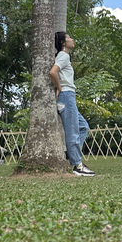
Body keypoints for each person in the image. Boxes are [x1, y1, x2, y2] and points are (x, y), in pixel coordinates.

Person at [49, 31, 94, 176]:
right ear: (63, 42)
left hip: (69, 96)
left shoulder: (64, 56)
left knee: (83, 127)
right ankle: (77, 165)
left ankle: (71, 154)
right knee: (73, 132)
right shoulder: (63, 56)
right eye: (68, 37)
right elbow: (53, 72)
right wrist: (60, 89)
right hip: (66, 95)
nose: (72, 39)